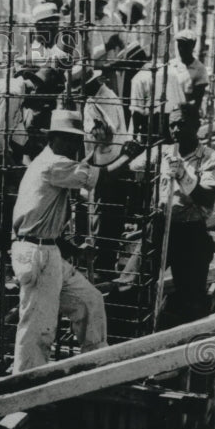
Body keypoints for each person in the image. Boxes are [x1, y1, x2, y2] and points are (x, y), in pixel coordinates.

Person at [10, 110, 140, 373]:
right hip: (36, 254)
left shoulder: (55, 163)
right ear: (54, 138)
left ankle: (94, 365)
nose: (73, 146)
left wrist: (73, 248)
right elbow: (100, 180)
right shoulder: (52, 164)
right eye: (67, 140)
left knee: (89, 300)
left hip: (48, 249)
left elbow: (43, 218)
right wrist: (128, 155)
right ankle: (26, 383)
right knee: (38, 325)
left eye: (75, 141)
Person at [151, 115, 215, 325]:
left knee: (192, 300)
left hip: (190, 232)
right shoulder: (161, 152)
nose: (175, 129)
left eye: (182, 124)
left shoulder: (210, 157)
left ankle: (189, 348)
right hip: (158, 227)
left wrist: (183, 175)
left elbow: (207, 196)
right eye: (171, 124)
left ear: (196, 126)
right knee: (132, 285)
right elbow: (131, 170)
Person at [81, 69, 135, 278]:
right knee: (107, 219)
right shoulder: (104, 96)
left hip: (108, 163)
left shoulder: (101, 102)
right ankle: (104, 265)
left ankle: (101, 269)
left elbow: (106, 134)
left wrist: (95, 131)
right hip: (108, 159)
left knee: (103, 219)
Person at [128, 44, 187, 142]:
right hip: (174, 123)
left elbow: (137, 112)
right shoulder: (170, 70)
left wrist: (133, 137)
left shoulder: (138, 78)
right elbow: (182, 100)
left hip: (152, 125)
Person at [174, 29, 209, 116]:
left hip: (187, 114)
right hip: (169, 112)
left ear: (193, 46)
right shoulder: (171, 65)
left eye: (185, 45)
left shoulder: (199, 69)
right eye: (179, 45)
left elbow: (197, 99)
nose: (181, 49)